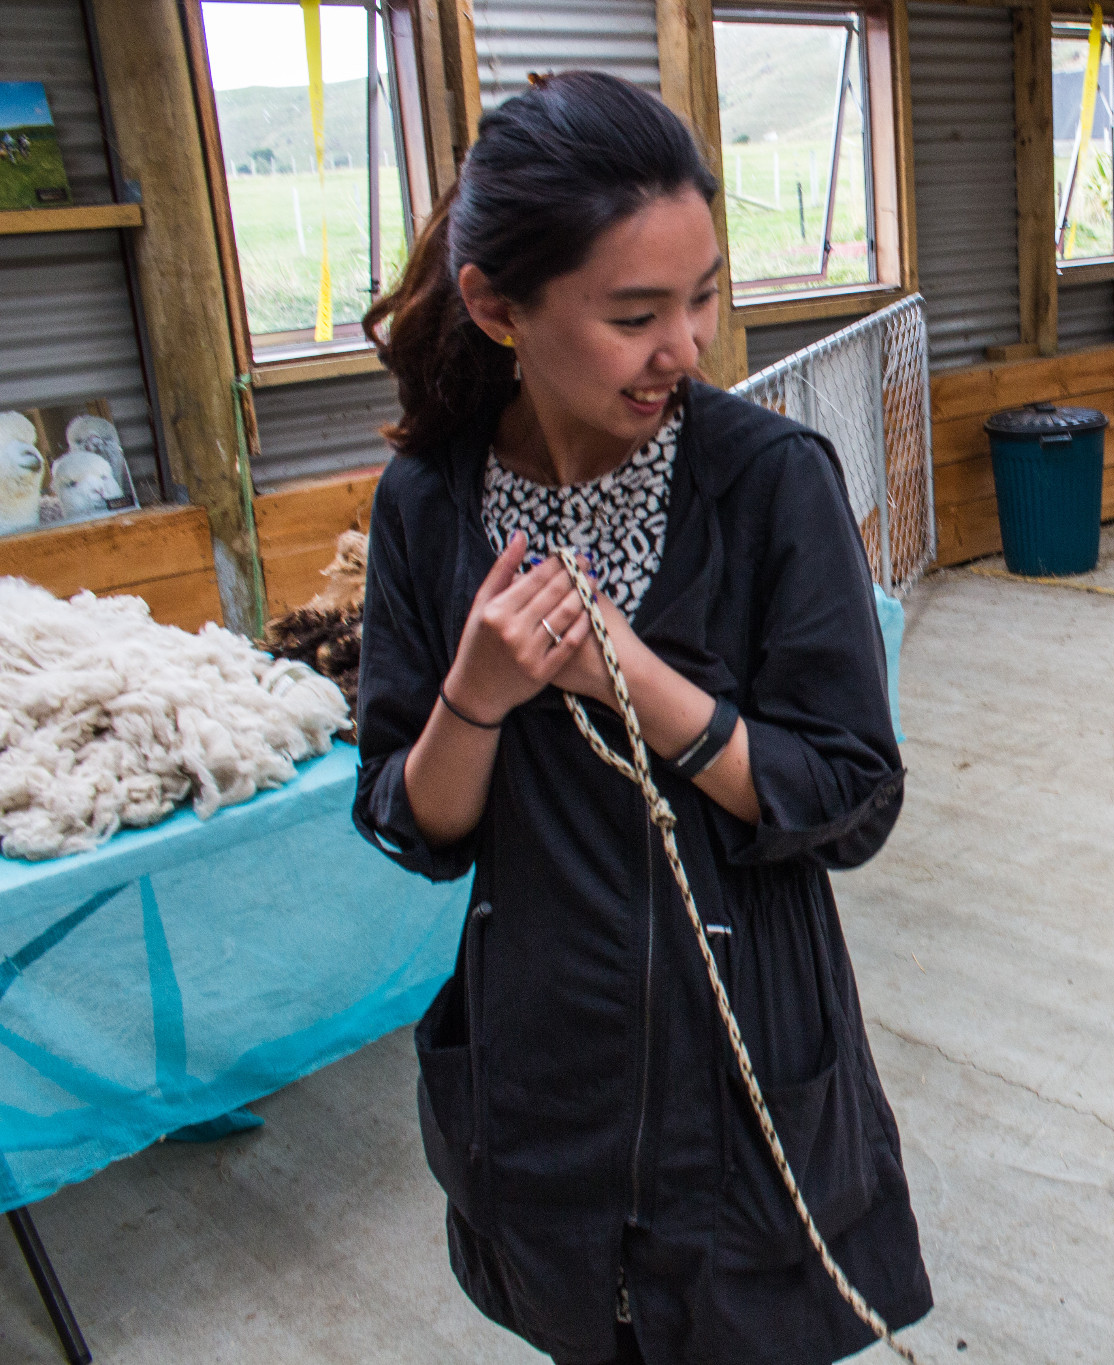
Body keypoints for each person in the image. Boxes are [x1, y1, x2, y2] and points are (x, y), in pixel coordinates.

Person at [353, 70, 931, 1365]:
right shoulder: (429, 505)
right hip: (543, 1071)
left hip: (743, 1068)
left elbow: (849, 796)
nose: (688, 348)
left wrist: (640, 678)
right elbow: (414, 822)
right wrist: (477, 695)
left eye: (705, 295)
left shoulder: (768, 483)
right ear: (498, 307)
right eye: (634, 314)